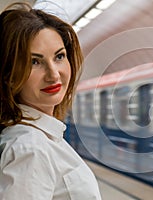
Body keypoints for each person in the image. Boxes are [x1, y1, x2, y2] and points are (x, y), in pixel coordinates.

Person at [0, 2, 102, 200]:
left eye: (59, 57)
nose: (53, 74)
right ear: (8, 75)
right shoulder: (30, 147)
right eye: (34, 62)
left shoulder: (41, 138)